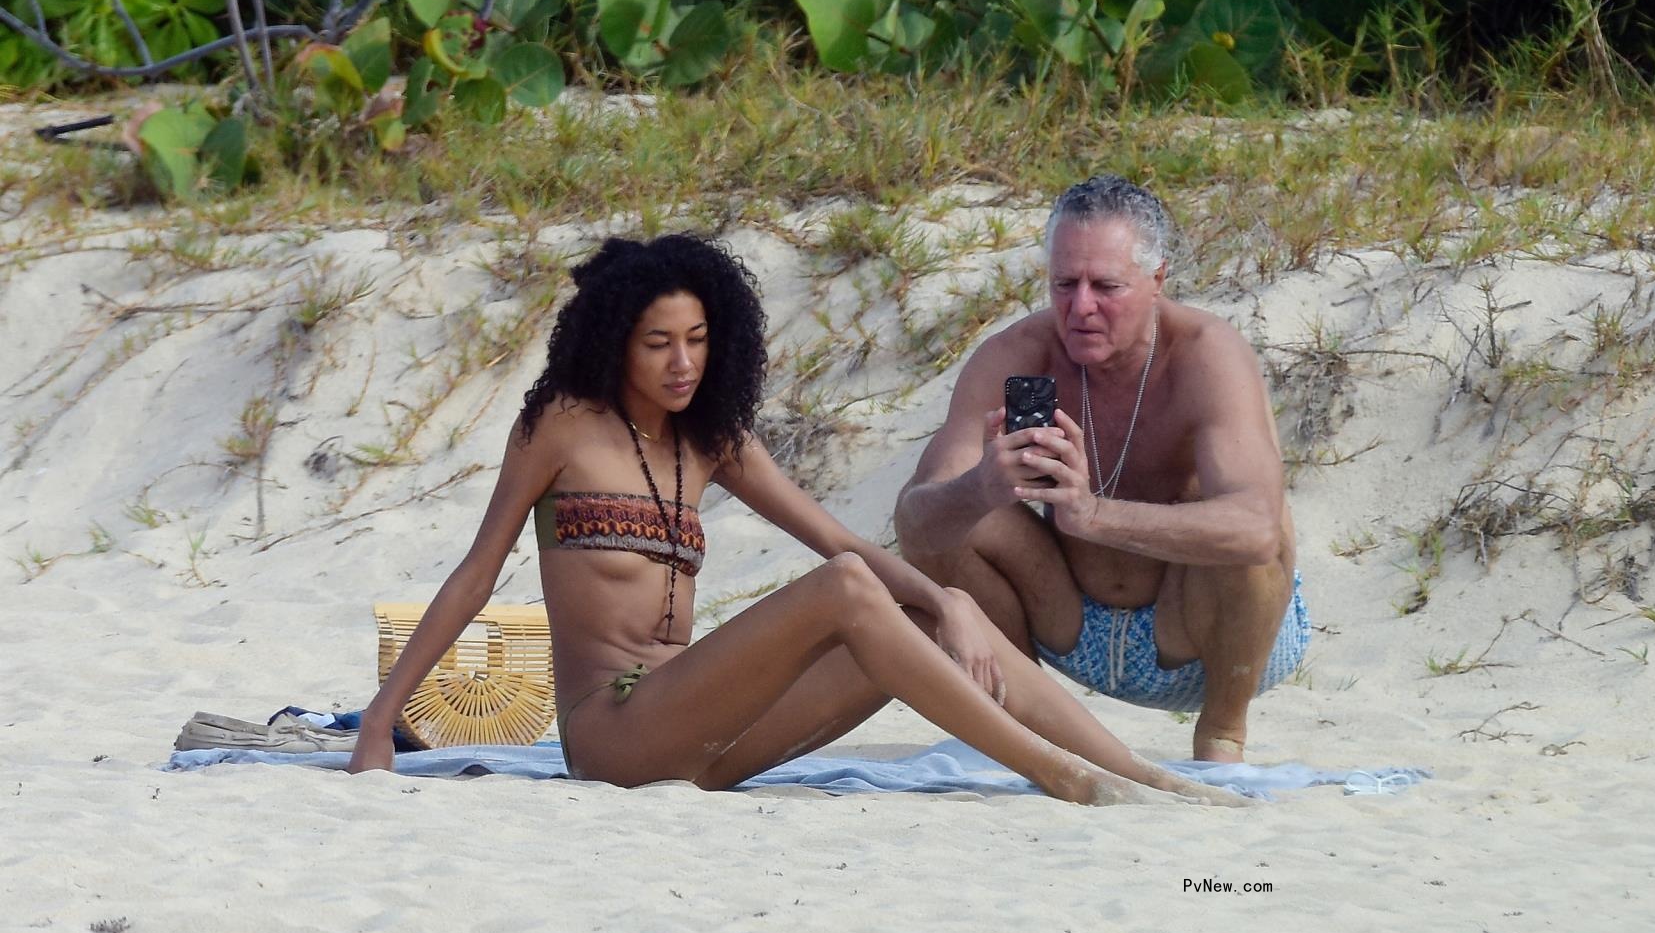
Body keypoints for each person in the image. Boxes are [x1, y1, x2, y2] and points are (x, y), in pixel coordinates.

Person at [348, 232, 1244, 806]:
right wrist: (381, 724)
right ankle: (1059, 774)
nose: (682, 363)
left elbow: (837, 535)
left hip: (715, 739)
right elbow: (477, 572)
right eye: (658, 343)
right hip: (617, 730)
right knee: (853, 591)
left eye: (698, 341)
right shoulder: (561, 429)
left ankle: (1140, 774)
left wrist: (953, 606)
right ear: (615, 340)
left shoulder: (714, 440)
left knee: (905, 613)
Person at [894, 176, 1308, 762]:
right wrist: (980, 487)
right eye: (1064, 284)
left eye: (1106, 286)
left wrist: (1093, 515)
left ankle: (1222, 736)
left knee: (1251, 531)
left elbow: (1258, 530)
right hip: (1066, 619)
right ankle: (1020, 716)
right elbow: (914, 527)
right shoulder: (1019, 354)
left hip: (1196, 631)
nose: (1080, 307)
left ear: (1157, 280)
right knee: (961, 512)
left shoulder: (1205, 355)